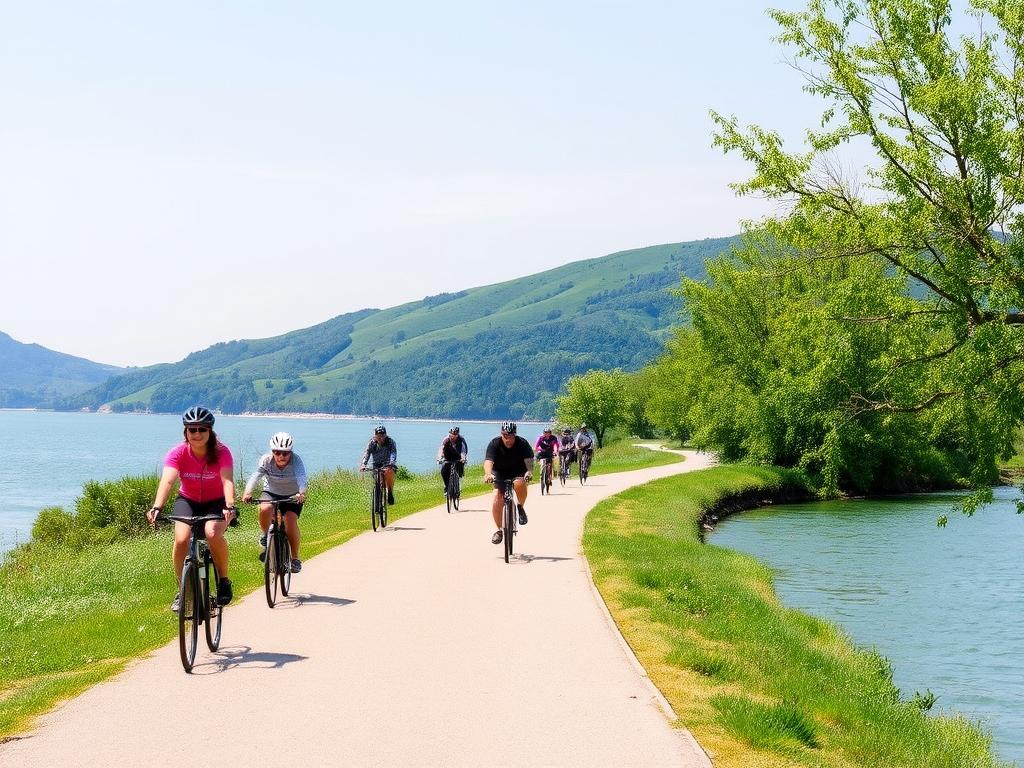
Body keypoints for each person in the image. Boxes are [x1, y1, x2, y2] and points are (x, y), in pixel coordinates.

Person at [147, 406, 237, 612]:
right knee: (181, 540)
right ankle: (182, 590)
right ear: (185, 432)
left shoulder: (222, 452)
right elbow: (167, 481)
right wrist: (157, 506)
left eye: (202, 429)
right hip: (187, 500)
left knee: (212, 533)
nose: (197, 433)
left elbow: (227, 481)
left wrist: (230, 505)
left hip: (217, 501)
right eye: (192, 429)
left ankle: (224, 580)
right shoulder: (177, 453)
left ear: (210, 431)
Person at [242, 431, 308, 573]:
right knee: (265, 508)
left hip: (293, 495)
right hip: (271, 492)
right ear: (272, 451)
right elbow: (256, 476)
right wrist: (248, 492)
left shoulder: (296, 460)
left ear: (290, 452)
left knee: (289, 519)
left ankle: (295, 558)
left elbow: (302, 478)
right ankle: (266, 535)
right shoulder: (266, 460)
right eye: (277, 452)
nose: (281, 456)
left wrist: (302, 493)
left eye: (285, 453)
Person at [483, 421, 534, 545]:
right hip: (500, 472)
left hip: (518, 470)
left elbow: (529, 460)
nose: (508, 439)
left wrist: (529, 472)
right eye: (505, 435)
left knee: (519, 483)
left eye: (511, 436)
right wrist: (488, 474)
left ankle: (520, 507)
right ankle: (499, 530)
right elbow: (489, 461)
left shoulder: (522, 443)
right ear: (501, 434)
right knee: (496, 497)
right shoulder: (495, 443)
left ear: (515, 435)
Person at [361, 424, 398, 504]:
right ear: (375, 435)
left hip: (388, 465)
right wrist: (364, 464)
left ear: (386, 435)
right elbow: (367, 453)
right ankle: (378, 499)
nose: (381, 438)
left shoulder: (390, 442)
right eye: (378, 436)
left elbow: (393, 453)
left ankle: (390, 492)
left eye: (382, 436)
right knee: (378, 482)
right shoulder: (372, 443)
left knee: (389, 472)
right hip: (376, 465)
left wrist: (392, 462)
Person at [437, 426, 468, 496]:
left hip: (458, 457)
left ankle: (458, 486)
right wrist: (439, 458)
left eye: (455, 436)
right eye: (451, 435)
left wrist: (463, 459)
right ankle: (446, 486)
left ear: (457, 435)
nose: (453, 437)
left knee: (460, 468)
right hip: (448, 457)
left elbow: (463, 451)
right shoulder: (446, 440)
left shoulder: (461, 440)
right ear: (449, 434)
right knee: (444, 470)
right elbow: (441, 449)